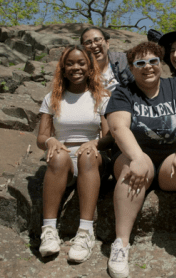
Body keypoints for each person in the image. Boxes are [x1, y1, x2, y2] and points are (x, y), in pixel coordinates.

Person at [105, 41, 176, 278]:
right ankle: (121, 245)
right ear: (131, 67)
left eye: (153, 61)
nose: (148, 67)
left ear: (161, 64)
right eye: (140, 63)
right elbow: (118, 127)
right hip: (134, 157)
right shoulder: (123, 93)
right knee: (133, 170)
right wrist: (136, 157)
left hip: (171, 158)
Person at [37, 45, 113, 262]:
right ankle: (49, 231)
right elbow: (41, 138)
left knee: (87, 155)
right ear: (63, 67)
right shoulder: (52, 97)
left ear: (90, 68)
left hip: (93, 157)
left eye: (81, 63)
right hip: (62, 159)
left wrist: (95, 143)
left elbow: (109, 137)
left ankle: (85, 232)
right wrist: (51, 140)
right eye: (70, 63)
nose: (76, 68)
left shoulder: (102, 96)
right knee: (59, 155)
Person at [80, 26, 134, 92]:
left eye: (97, 40)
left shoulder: (123, 60)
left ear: (107, 43)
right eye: (88, 43)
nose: (93, 45)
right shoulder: (80, 70)